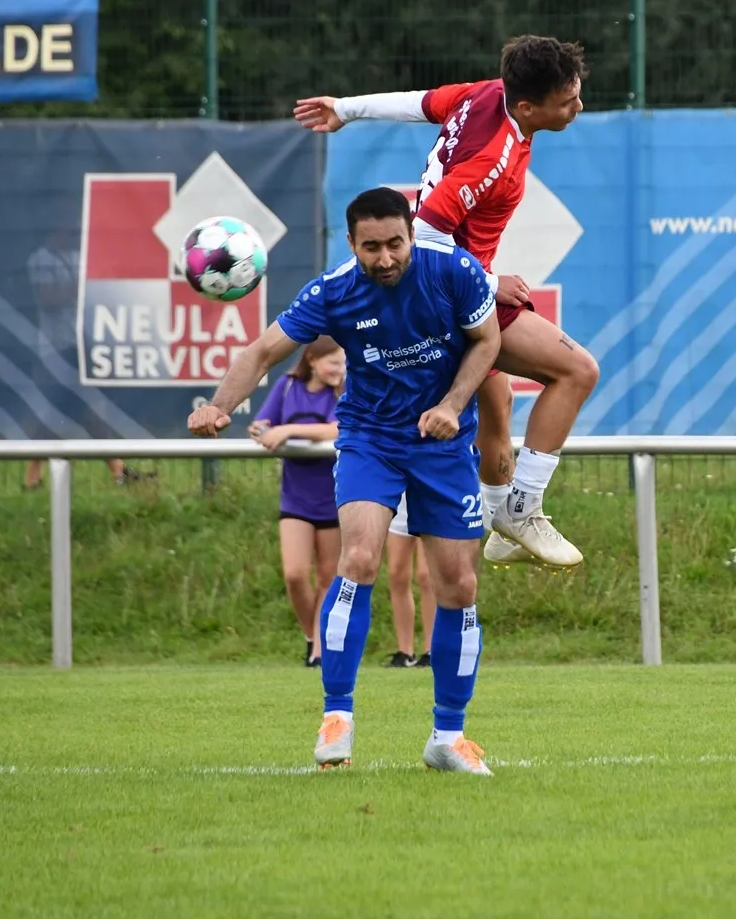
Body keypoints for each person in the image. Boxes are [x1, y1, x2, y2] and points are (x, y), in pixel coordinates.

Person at [187, 186, 501, 776]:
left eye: (395, 244)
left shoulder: (454, 270)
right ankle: (337, 717)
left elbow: (488, 342)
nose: (385, 258)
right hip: (370, 439)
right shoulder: (333, 291)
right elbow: (263, 351)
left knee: (459, 584)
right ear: (352, 244)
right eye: (371, 247)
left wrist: (453, 405)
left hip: (443, 441)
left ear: (411, 235)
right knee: (357, 557)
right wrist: (219, 406)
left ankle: (448, 737)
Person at [293, 34, 598, 569]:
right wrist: (489, 282)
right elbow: (427, 231)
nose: (578, 107)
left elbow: (418, 103)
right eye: (568, 100)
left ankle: (501, 521)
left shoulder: (487, 92)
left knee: (497, 402)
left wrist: (346, 108)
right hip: (450, 292)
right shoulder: (493, 157)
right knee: (577, 371)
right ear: (529, 107)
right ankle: (522, 510)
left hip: (446, 284)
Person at [250, 335, 346, 667]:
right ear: (312, 360)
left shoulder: (344, 390)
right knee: (294, 574)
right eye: (333, 362)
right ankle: (311, 635)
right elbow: (264, 423)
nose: (340, 369)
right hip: (296, 497)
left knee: (328, 577)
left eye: (343, 363)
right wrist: (262, 429)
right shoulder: (288, 386)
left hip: (334, 496)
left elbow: (339, 429)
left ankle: (319, 651)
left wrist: (289, 430)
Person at [23, 230, 135, 489]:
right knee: (57, 410)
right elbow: (49, 298)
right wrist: (81, 285)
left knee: (89, 409)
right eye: (67, 229)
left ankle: (118, 471)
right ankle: (32, 475)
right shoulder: (41, 259)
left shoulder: (77, 257)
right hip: (54, 350)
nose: (72, 235)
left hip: (81, 346)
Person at [384, 493, 434, 668]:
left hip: (430, 495)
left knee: (427, 575)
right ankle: (405, 652)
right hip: (402, 497)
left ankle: (432, 650)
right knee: (396, 573)